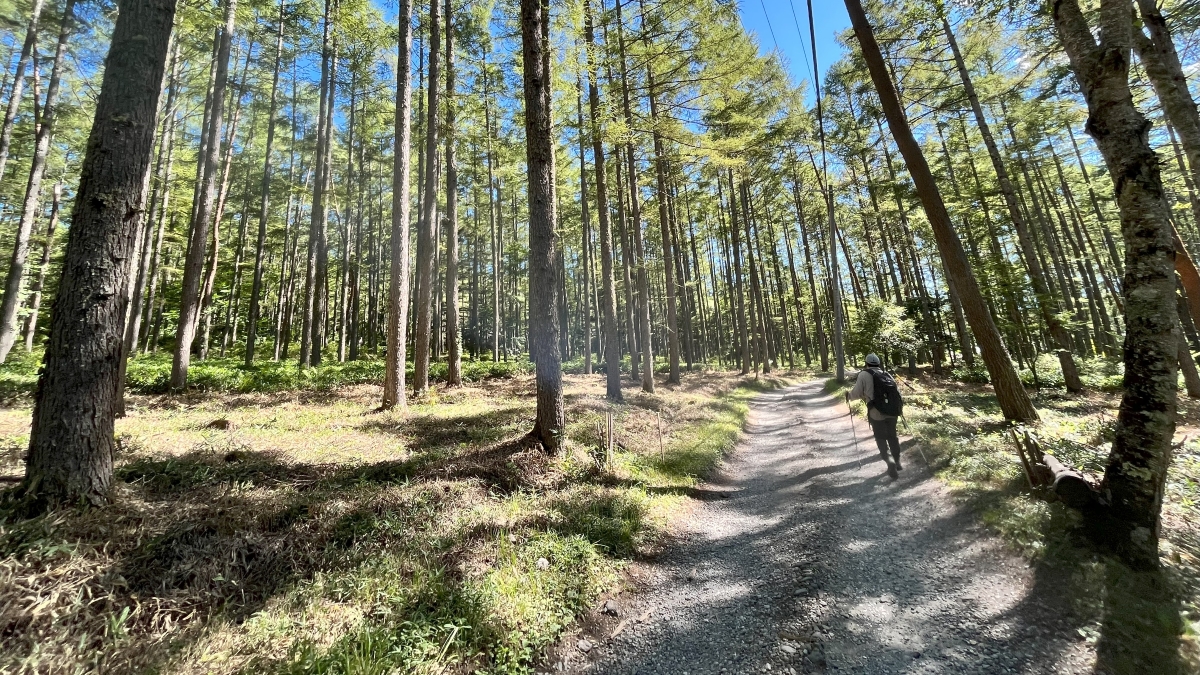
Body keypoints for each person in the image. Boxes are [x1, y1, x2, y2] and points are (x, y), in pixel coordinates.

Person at [849, 353, 903, 478]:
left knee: (880, 437)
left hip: (876, 412)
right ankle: (898, 461)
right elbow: (897, 393)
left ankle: (889, 461)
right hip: (892, 412)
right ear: (878, 363)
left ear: (866, 363)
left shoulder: (864, 374)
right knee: (892, 436)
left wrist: (849, 396)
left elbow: (857, 392)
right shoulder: (886, 374)